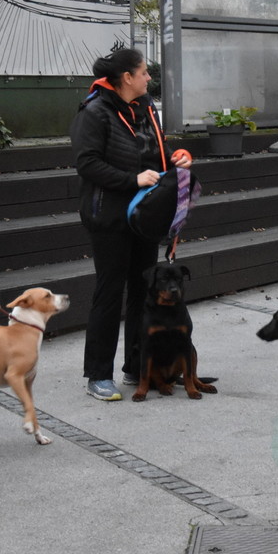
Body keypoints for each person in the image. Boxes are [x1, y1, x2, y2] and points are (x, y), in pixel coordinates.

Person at [71, 49, 193, 401]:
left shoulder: (146, 108)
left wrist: (176, 158)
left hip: (145, 214)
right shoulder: (94, 112)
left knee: (143, 291)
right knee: (109, 293)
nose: (148, 78)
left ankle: (136, 368)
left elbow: (155, 153)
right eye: (143, 73)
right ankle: (98, 375)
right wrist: (132, 180)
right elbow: (87, 164)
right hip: (108, 216)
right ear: (127, 77)